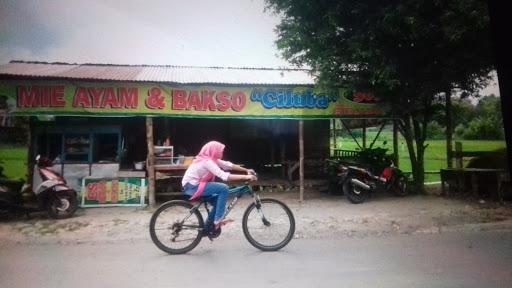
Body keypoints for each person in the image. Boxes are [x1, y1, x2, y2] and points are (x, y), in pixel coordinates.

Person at [182, 140, 257, 232]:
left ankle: (208, 227)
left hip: (193, 185)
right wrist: (246, 177)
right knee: (223, 188)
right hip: (192, 186)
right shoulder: (207, 161)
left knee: (219, 202)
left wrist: (246, 170)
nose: (222, 152)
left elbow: (228, 165)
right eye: (220, 150)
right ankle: (218, 220)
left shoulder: (212, 159)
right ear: (214, 151)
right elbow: (224, 176)